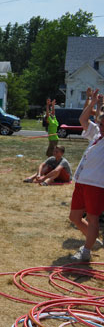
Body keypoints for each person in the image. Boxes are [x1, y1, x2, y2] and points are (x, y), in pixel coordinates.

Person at [68, 88, 104, 261]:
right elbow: (83, 119)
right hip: (81, 181)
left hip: (97, 184)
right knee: (74, 217)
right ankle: (93, 239)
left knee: (92, 218)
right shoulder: (97, 134)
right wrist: (93, 102)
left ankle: (86, 251)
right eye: (102, 124)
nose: (102, 127)